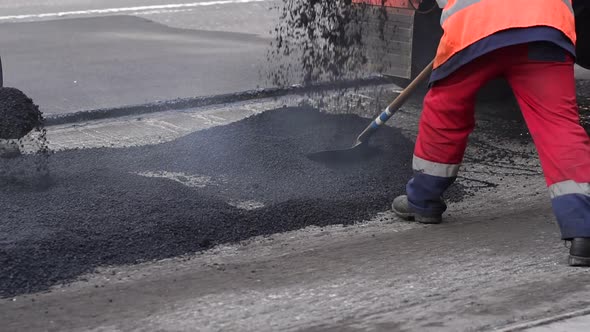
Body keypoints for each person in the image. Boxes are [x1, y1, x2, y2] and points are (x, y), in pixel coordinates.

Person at [391, 0, 590, 266]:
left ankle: (423, 199)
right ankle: (583, 229)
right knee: (558, 125)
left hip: (475, 30)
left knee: (445, 110)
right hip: (545, 27)